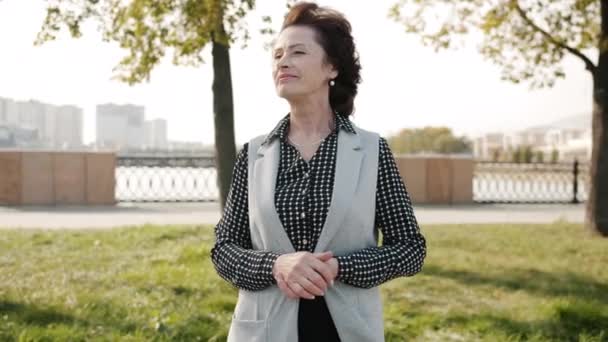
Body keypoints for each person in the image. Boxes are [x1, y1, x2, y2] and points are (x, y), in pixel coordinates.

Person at [210, 2, 427, 341]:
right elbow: (224, 249)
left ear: (332, 67)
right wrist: (275, 265)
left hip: (347, 330)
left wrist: (341, 267)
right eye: (277, 54)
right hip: (266, 331)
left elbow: (410, 248)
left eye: (297, 52)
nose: (283, 61)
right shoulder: (254, 154)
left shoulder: (372, 150)